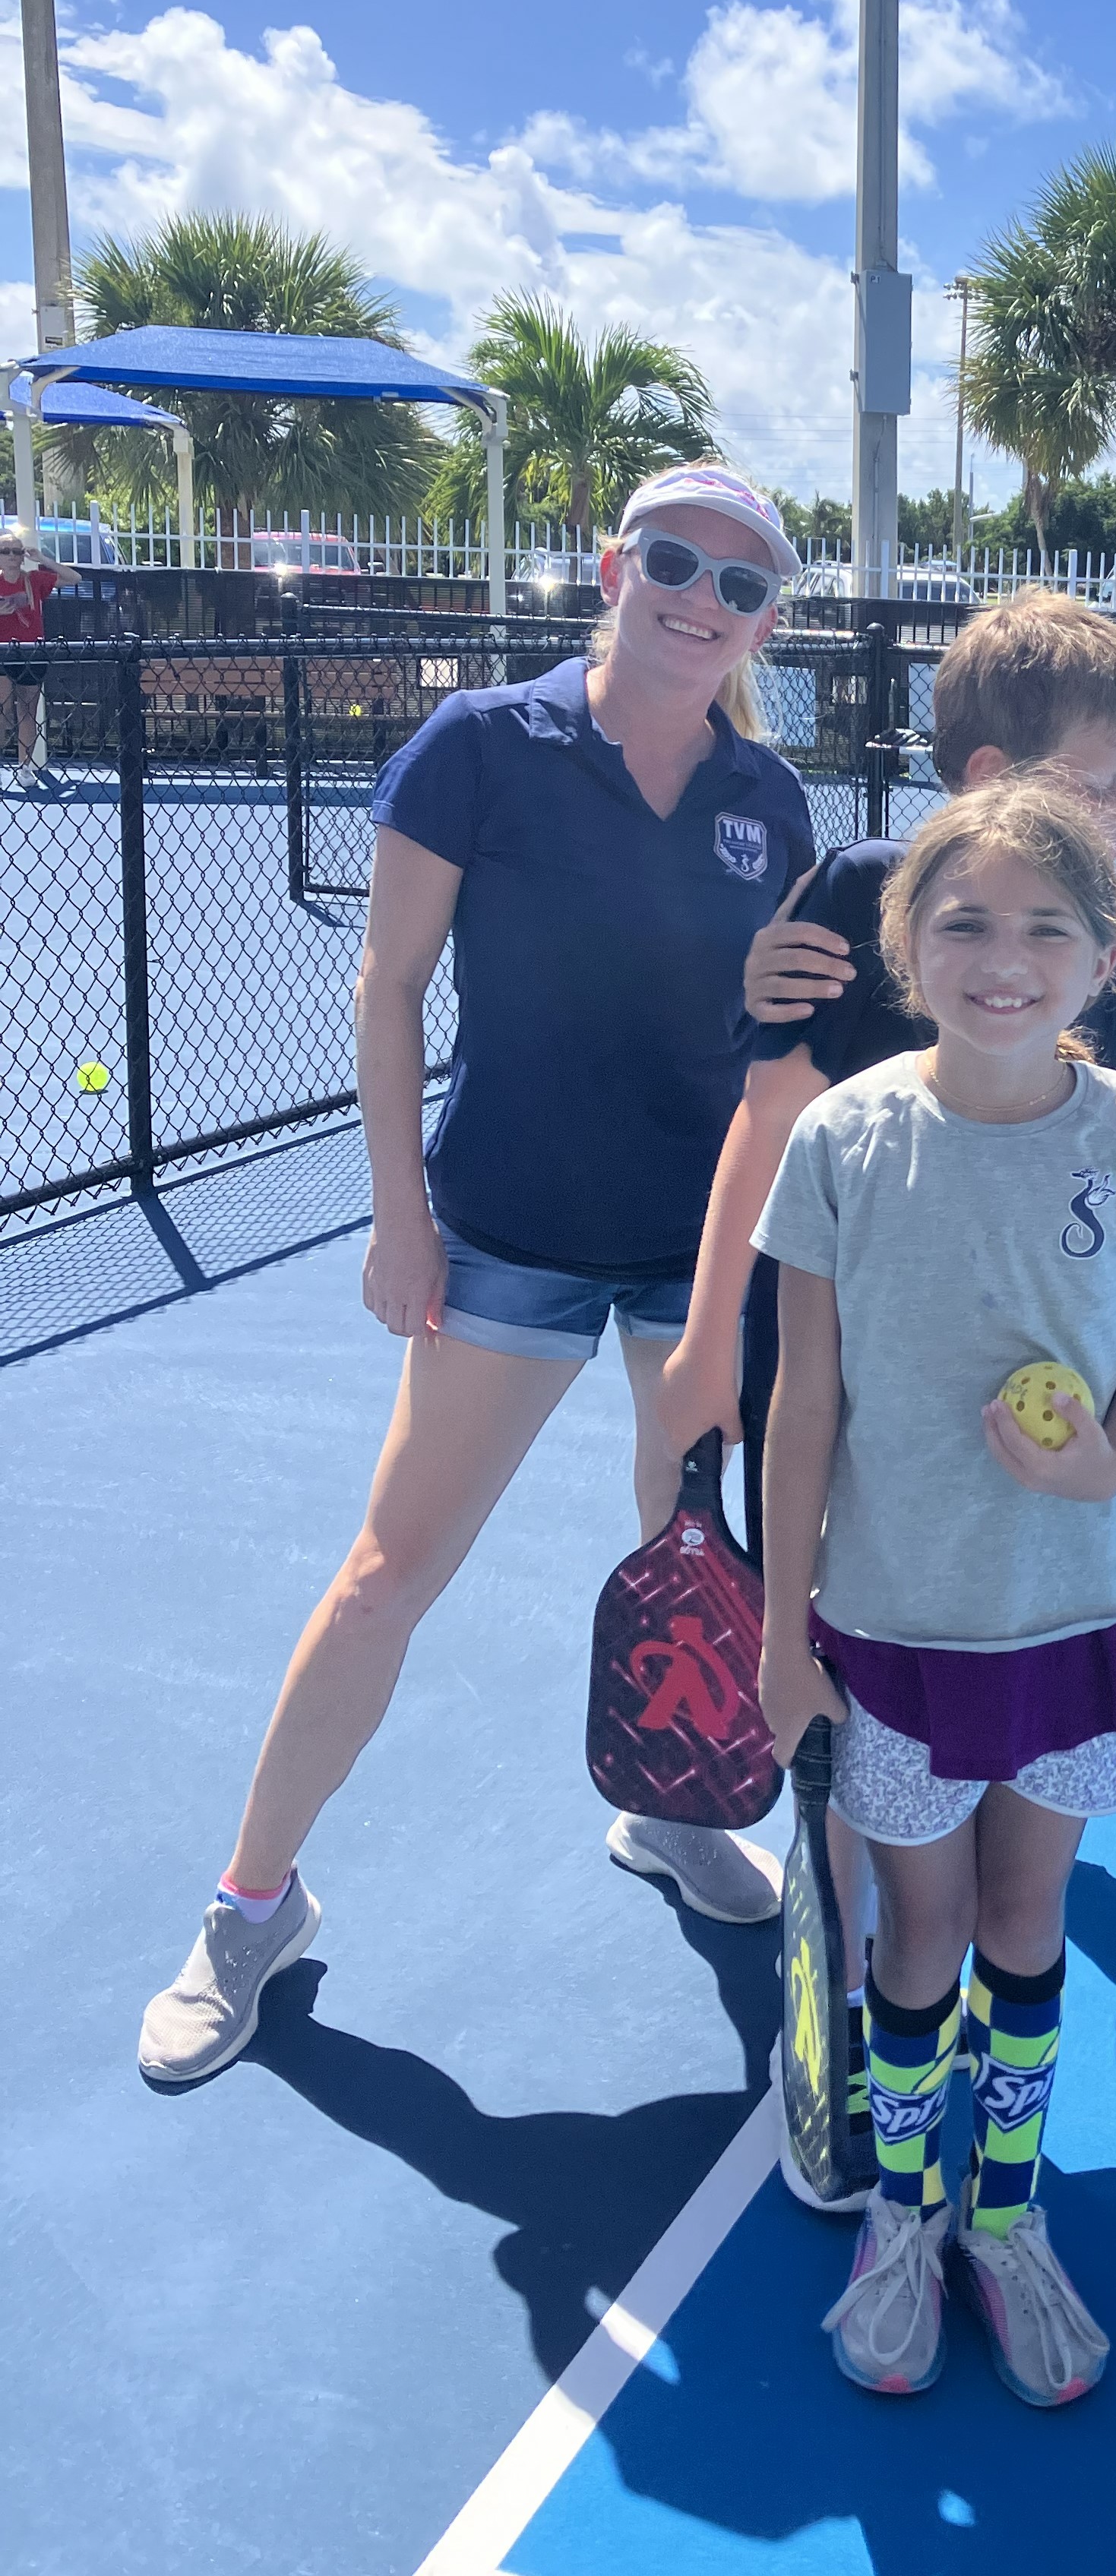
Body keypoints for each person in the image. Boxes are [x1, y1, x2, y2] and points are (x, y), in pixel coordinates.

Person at [138, 466, 808, 2087]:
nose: (701, 599)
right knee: (388, 1573)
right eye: (675, 561)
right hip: (508, 1233)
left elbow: (775, 1039)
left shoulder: (769, 798)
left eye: (740, 585)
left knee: (692, 1559)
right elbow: (389, 986)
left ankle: (665, 1813)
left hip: (696, 1249)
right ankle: (251, 1906)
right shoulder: (478, 746)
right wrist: (399, 1217)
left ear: (764, 623)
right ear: (613, 566)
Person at [658, 590, 1116, 2208]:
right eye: (1098, 784)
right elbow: (766, 1124)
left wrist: (1108, 1458)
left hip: (1055, 1565)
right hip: (851, 1425)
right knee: (865, 1811)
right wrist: (705, 1343)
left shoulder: (1109, 1026)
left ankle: (983, 2167)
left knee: (1000, 1897)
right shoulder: (856, 915)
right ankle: (843, 2049)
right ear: (990, 773)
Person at [758, 776, 1116, 2403]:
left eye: (1044, 928)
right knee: (922, 1933)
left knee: (1026, 1922)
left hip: (1078, 1619)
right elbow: (801, 1402)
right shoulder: (841, 1137)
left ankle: (1003, 2213)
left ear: (1101, 958)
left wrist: (1108, 1467)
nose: (1003, 960)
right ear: (907, 947)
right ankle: (904, 2209)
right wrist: (780, 1636)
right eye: (963, 924)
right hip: (894, 1632)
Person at [0, 519, 60, 788]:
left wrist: (42, 558)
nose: (12, 556)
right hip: (2, 652)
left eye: (17, 551)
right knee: (2, 711)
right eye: (6, 551)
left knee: (27, 711)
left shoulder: (33, 580)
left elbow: (75, 578)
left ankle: (24, 767)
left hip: (31, 652)